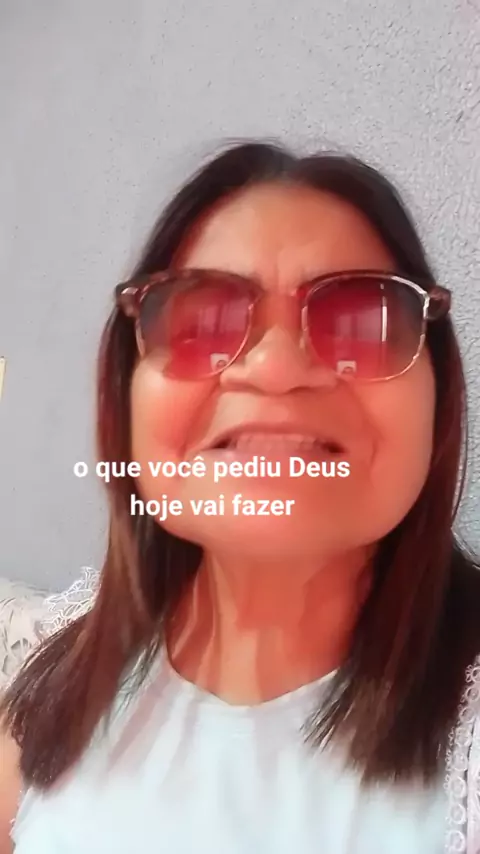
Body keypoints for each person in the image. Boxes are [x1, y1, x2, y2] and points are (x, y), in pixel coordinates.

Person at [1, 140, 480, 854]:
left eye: (362, 320)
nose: (277, 368)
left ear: (437, 398)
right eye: (200, 321)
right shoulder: (56, 671)